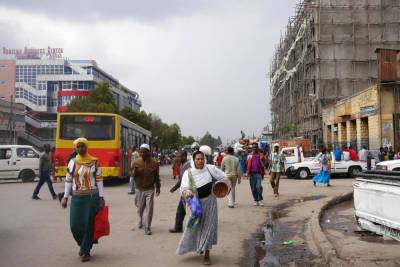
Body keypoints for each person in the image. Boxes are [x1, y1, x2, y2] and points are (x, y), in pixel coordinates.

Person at [176, 150, 228, 265]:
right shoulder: (188, 173)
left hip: (210, 203)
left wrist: (220, 186)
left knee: (209, 228)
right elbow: (183, 187)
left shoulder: (210, 169)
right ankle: (195, 247)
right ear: (193, 160)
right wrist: (187, 191)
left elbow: (224, 177)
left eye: (202, 159)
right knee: (195, 227)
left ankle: (207, 254)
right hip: (196, 204)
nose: (200, 161)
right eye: (198, 159)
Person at [61, 138, 105, 262]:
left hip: (92, 197)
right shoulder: (72, 162)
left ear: (87, 147)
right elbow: (68, 181)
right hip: (77, 198)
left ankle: (86, 250)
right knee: (74, 225)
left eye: (83, 146)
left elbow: (100, 180)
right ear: (75, 148)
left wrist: (101, 197)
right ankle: (83, 245)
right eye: (78, 147)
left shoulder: (95, 161)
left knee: (88, 225)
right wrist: (65, 197)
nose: (80, 149)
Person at [131, 144, 160, 235]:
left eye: (144, 151)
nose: (142, 153)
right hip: (139, 189)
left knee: (149, 208)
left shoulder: (154, 163)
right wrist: (135, 171)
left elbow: (156, 176)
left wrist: (158, 187)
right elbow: (131, 175)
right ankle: (141, 220)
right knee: (140, 209)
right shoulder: (136, 162)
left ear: (149, 152)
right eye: (141, 151)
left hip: (150, 189)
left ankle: (147, 226)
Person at [169, 150, 191, 233]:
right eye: (177, 156)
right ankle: (178, 227)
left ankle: (178, 227)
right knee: (181, 210)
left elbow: (183, 179)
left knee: (184, 209)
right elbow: (181, 179)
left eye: (179, 156)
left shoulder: (188, 165)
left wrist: (174, 188)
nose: (177, 158)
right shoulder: (182, 165)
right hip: (185, 191)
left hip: (189, 191)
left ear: (184, 156)